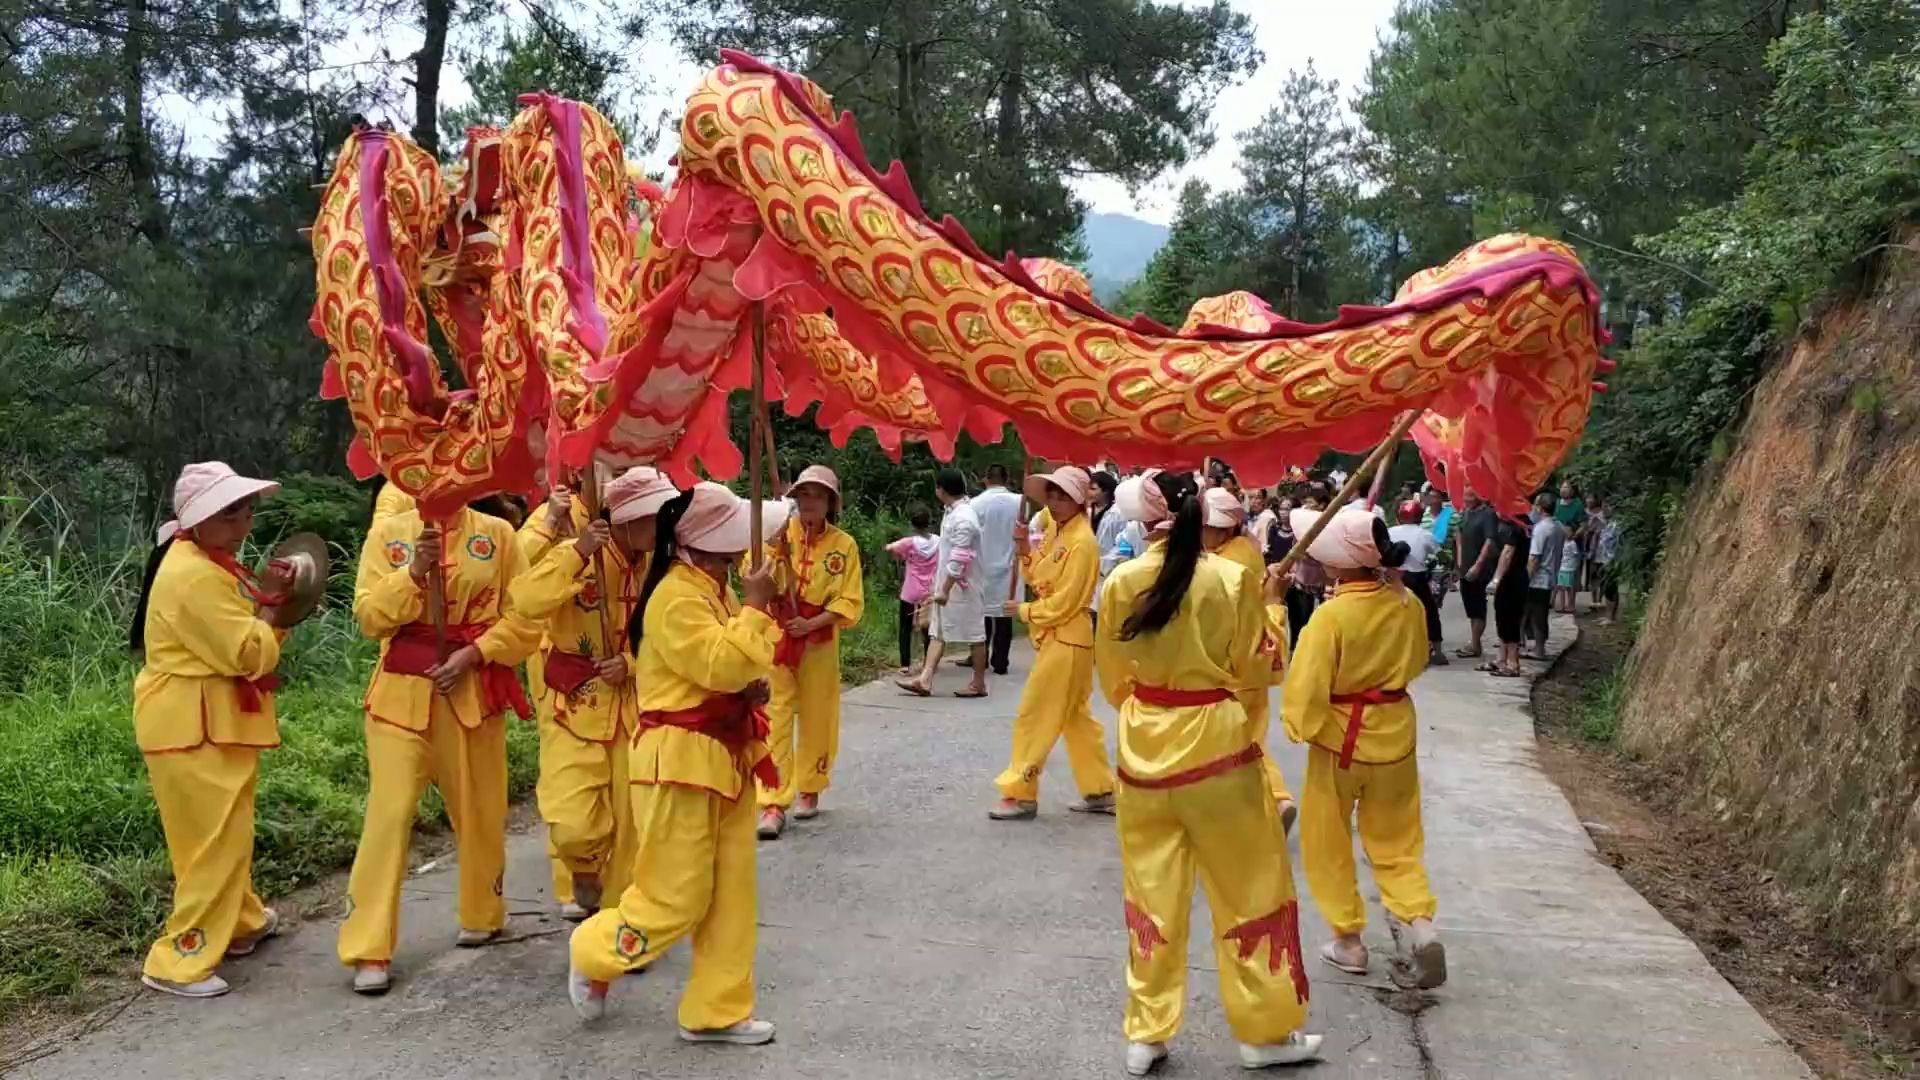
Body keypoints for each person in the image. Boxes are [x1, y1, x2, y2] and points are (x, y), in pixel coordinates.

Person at [1097, 472, 1323, 1074]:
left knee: (1151, 893)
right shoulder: (1231, 578)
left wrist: (1152, 705)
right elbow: (1260, 673)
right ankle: (1266, 1033)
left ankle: (1146, 1032)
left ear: (1145, 522)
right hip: (1217, 748)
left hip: (1143, 747)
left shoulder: (1122, 579)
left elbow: (1114, 678)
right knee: (1249, 887)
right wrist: (1271, 608)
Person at [566, 483, 786, 1046]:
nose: (743, 552)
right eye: (734, 542)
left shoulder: (712, 588)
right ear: (709, 545)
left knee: (732, 894)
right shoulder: (675, 595)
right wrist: (757, 610)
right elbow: (720, 665)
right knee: (675, 895)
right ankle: (594, 951)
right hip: (679, 762)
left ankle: (716, 1010)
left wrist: (748, 690)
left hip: (725, 753)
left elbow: (727, 670)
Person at [341, 491, 541, 995]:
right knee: (388, 815)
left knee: (479, 808)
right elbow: (367, 618)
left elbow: (527, 617)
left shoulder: (498, 535)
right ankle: (369, 947)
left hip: (470, 690)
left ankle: (483, 911)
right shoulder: (389, 533)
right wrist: (412, 573)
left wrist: (477, 652)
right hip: (399, 699)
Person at [130, 462, 293, 998]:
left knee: (222, 832)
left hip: (201, 717)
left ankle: (241, 923)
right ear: (198, 521)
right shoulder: (195, 574)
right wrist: (275, 609)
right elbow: (247, 652)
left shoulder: (201, 558)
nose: (242, 524)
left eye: (245, 511)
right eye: (229, 515)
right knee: (211, 843)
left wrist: (269, 605)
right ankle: (179, 958)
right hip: (192, 721)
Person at [1282, 506, 1446, 990]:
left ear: (1337, 562)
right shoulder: (1406, 603)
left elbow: (1307, 685)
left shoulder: (1332, 616)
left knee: (1328, 840)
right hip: (1395, 734)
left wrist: (1302, 725)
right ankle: (1420, 925)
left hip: (1340, 741)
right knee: (1397, 843)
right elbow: (1416, 661)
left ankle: (1348, 942)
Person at [509, 468, 679, 922]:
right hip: (575, 704)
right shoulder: (578, 553)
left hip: (635, 708)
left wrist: (633, 663)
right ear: (624, 520)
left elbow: (674, 636)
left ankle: (620, 923)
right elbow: (522, 601)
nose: (661, 526)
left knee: (634, 825)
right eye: (652, 517)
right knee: (573, 824)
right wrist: (578, 552)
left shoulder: (662, 568)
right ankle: (583, 866)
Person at [992, 465, 1116, 820]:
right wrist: (1024, 551)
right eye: (1052, 493)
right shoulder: (1057, 533)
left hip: (1068, 638)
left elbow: (1067, 602)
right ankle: (1100, 789)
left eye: (1064, 495)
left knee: (1036, 713)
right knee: (1076, 718)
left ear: (1079, 501)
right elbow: (1038, 575)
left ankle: (1022, 791)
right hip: (1059, 640)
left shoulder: (1082, 542)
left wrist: (1026, 611)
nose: (1056, 500)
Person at [755, 465, 865, 840]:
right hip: (780, 636)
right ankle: (772, 800)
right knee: (775, 715)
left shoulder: (844, 545)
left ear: (830, 502)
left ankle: (810, 787)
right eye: (803, 495)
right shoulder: (778, 535)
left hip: (818, 641)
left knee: (819, 715)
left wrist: (813, 624)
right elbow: (754, 578)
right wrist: (772, 553)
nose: (809, 502)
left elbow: (849, 599)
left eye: (817, 495)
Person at [1202, 488, 1298, 827]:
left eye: (1207, 526)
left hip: (1236, 659)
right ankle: (1267, 801)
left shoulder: (1225, 562)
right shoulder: (1245, 549)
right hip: (1255, 654)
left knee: (1238, 738)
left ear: (1225, 529)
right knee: (1249, 735)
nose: (1202, 531)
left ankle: (1274, 798)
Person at [898, 469, 988, 698]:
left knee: (975, 634)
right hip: (948, 584)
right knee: (937, 631)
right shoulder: (953, 512)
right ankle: (925, 679)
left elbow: (960, 558)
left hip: (963, 587)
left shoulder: (964, 518)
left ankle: (978, 683)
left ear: (941, 490)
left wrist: (945, 589)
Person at [971, 464, 1022, 676]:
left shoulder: (976, 504)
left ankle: (979, 659)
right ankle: (1001, 661)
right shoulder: (1020, 502)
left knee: (982, 614)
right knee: (1004, 615)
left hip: (983, 565)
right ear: (1007, 479)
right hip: (1011, 565)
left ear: (986, 479)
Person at [1388, 500, 1447, 666]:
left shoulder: (1390, 532)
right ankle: (1437, 651)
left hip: (1392, 578)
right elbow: (1441, 556)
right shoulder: (1424, 534)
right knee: (1430, 612)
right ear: (1420, 517)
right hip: (1416, 578)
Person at [887, 505, 939, 675]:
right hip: (930, 591)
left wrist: (903, 555)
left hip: (910, 591)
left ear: (912, 524)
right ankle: (928, 663)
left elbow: (890, 548)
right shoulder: (938, 541)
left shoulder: (909, 542)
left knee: (905, 627)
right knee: (928, 627)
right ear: (929, 523)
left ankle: (905, 664)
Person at [1451, 487, 1498, 661]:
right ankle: (1474, 641)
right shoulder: (1465, 513)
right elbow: (1459, 535)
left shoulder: (1487, 514)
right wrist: (1459, 563)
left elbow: (1489, 540)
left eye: (1471, 495)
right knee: (1469, 605)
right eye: (1465, 495)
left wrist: (1478, 565)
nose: (1467, 499)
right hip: (1465, 565)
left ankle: (1476, 642)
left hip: (1480, 567)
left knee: (1478, 605)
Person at [1485, 513, 1530, 678]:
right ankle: (1501, 659)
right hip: (1508, 579)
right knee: (1502, 617)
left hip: (1512, 578)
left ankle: (1512, 663)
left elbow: (1507, 552)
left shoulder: (1517, 526)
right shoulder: (1508, 523)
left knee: (1510, 619)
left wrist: (1496, 579)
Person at [1524, 493, 1566, 661]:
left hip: (1538, 579)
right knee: (1540, 614)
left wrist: (1525, 578)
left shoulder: (1541, 528)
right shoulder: (1558, 526)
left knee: (1536, 615)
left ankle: (1539, 649)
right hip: (1550, 576)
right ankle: (1537, 646)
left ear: (1540, 508)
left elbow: (1534, 557)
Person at [1090, 470, 1126, 630]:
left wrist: (1107, 564)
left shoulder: (1117, 514)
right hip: (1088, 568)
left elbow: (1121, 544)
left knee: (1102, 615)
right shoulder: (1086, 511)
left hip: (1107, 570)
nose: (1089, 492)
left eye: (1093, 488)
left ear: (1105, 491)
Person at [1588, 497, 1622, 624]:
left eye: (1608, 506)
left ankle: (1610, 617)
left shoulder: (1617, 524)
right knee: (1605, 586)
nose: (1605, 509)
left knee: (1610, 587)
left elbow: (1617, 544)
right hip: (1602, 559)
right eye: (1604, 506)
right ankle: (1608, 615)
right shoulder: (1607, 523)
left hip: (1611, 560)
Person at [1554, 530, 1581, 615]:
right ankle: (1562, 606)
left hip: (1569, 568)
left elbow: (1576, 555)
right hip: (1562, 566)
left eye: (1570, 532)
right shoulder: (1563, 542)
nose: (1568, 533)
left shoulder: (1573, 543)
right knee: (1561, 587)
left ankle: (1570, 605)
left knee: (1569, 587)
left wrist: (1576, 566)